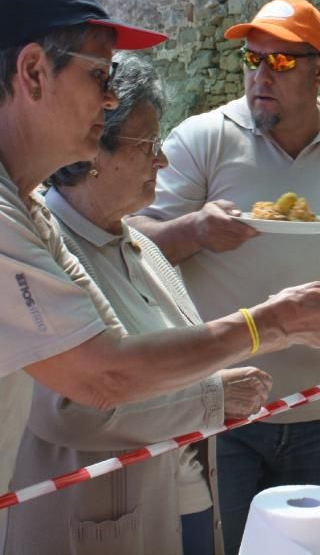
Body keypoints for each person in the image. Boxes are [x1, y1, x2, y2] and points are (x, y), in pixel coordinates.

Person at [0, 0, 320, 505]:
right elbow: (100, 382)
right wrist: (271, 326)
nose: (110, 100)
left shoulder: (30, 212)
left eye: (280, 61)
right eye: (100, 75)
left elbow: (113, 356)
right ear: (32, 73)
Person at [130, 0, 320, 552]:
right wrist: (193, 230)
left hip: (316, 406)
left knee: (304, 547)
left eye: (282, 62)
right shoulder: (202, 139)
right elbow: (127, 249)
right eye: (253, 60)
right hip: (216, 408)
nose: (262, 75)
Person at [3, 53, 257, 555]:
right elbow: (70, 406)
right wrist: (215, 393)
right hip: (83, 524)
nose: (161, 160)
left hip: (171, 498)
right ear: (96, 150)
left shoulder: (139, 246)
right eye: (149, 144)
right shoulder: (41, 248)